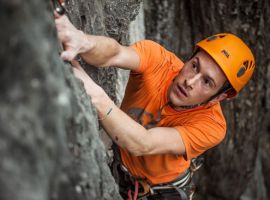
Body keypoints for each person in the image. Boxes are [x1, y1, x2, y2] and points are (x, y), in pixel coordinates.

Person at [55, 13, 255, 200]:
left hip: (160, 191)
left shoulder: (212, 126)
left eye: (207, 82)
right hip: (118, 162)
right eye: (195, 65)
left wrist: (94, 94)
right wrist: (82, 41)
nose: (190, 82)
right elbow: (113, 54)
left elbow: (143, 143)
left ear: (218, 97)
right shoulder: (159, 61)